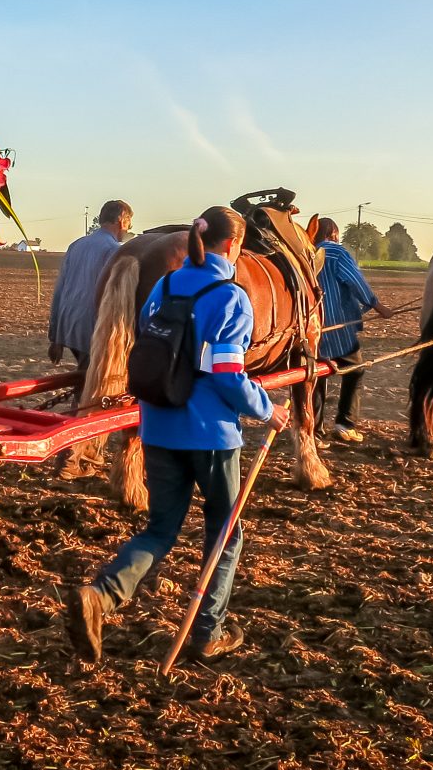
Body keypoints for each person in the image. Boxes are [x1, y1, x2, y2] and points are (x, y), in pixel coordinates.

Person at [63, 206, 284, 664]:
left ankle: (101, 596)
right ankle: (209, 631)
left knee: (161, 528)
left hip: (158, 426)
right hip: (211, 436)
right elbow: (227, 374)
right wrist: (267, 410)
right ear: (233, 246)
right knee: (225, 533)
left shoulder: (162, 287)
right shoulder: (230, 296)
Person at [46, 200, 132, 478]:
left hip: (70, 326)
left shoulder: (77, 245)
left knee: (85, 386)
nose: (127, 230)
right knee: (91, 396)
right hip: (93, 329)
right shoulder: (114, 251)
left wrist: (55, 336)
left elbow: (60, 289)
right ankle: (71, 459)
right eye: (128, 224)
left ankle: (88, 455)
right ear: (121, 221)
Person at [312, 217, 392, 441]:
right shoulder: (335, 252)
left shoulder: (306, 252)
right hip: (336, 325)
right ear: (333, 233)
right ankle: (345, 424)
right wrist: (379, 307)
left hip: (311, 326)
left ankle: (314, 431)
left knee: (316, 375)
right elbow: (355, 281)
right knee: (355, 369)